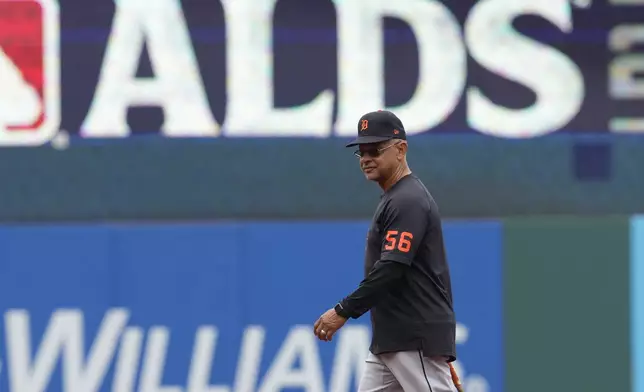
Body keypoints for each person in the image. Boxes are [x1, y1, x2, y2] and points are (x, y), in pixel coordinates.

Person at [313, 110, 462, 391]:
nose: (367, 158)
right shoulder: (396, 197)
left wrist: (344, 310)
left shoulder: (408, 200)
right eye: (362, 151)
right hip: (393, 339)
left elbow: (392, 267)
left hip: (412, 335)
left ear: (401, 149)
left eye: (376, 149)